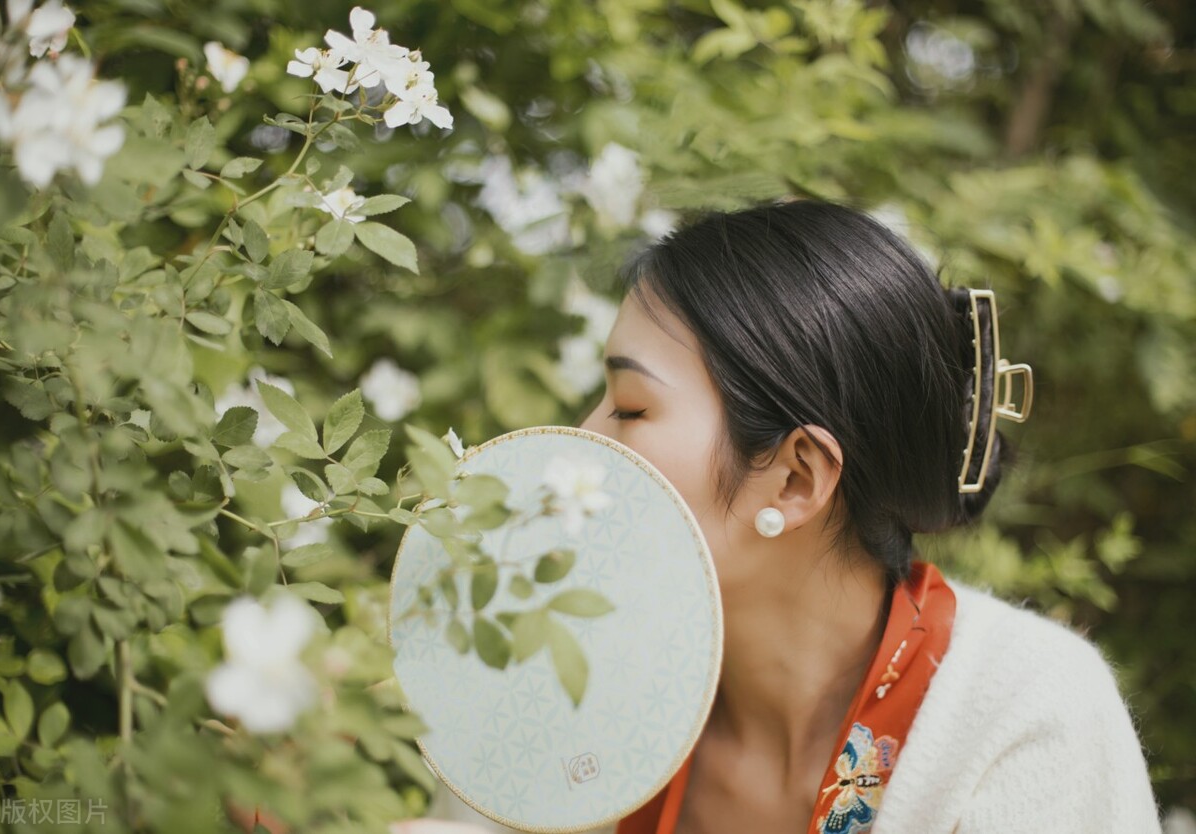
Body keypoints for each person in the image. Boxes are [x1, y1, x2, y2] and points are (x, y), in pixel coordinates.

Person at [399, 198, 1164, 834]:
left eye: (630, 407)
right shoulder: (551, 680)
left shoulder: (1025, 716)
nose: (578, 442)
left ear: (796, 480)